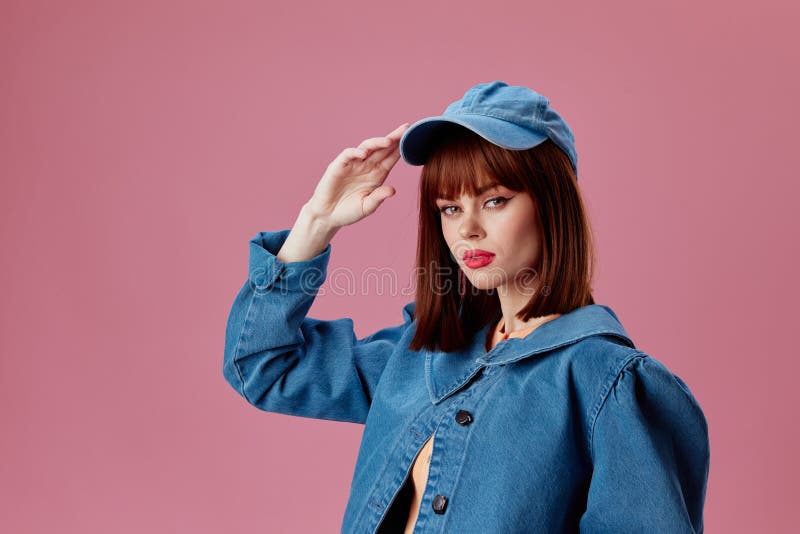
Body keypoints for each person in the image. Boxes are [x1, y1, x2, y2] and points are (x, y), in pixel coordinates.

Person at [222, 81, 710, 533]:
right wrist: (317, 221)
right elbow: (261, 365)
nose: (466, 229)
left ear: (552, 203)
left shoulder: (610, 385)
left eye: (495, 200)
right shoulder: (421, 354)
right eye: (449, 208)